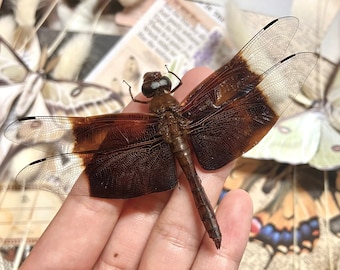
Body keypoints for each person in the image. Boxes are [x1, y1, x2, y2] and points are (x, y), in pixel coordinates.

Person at [20, 67, 253, 270]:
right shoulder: (184, 107)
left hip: (159, 153)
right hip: (192, 143)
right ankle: (213, 230)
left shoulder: (145, 119)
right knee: (194, 181)